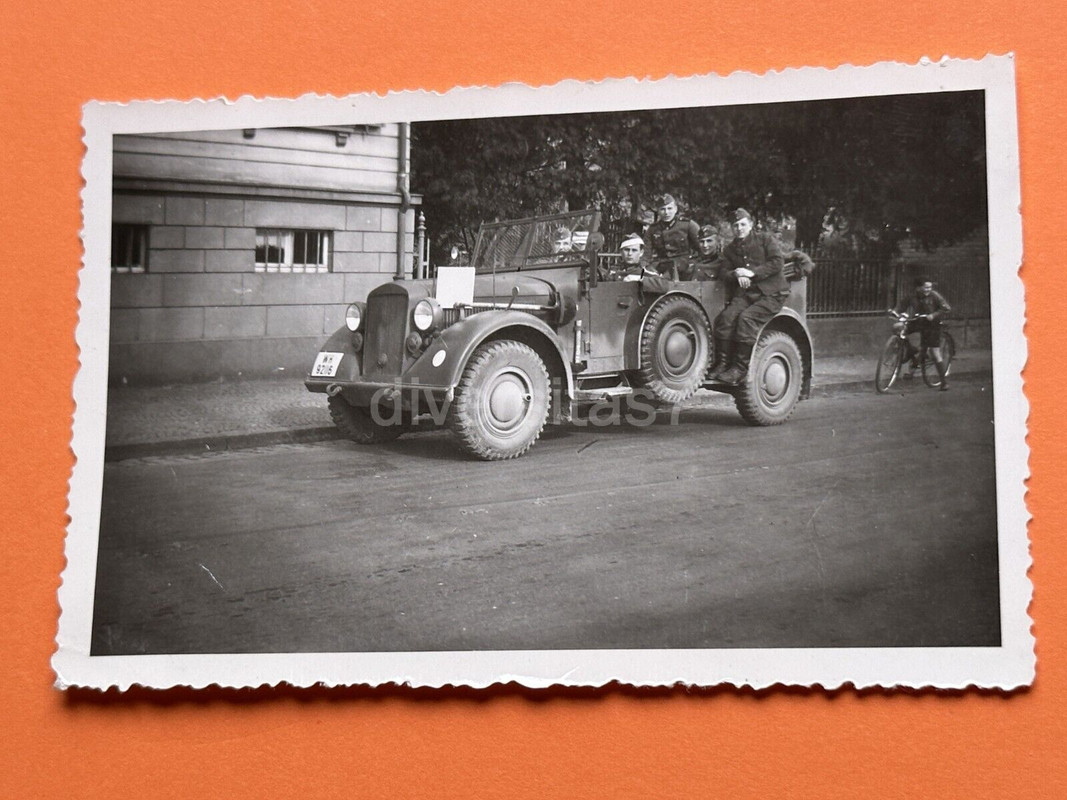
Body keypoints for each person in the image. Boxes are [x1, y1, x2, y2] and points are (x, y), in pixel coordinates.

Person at [708, 208, 789, 385]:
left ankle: (740, 369)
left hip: (772, 293)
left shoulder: (765, 239)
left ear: (751, 225)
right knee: (726, 318)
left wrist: (752, 273)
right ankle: (723, 364)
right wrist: (737, 273)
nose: (739, 228)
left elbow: (777, 262)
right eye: (735, 225)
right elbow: (723, 272)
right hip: (747, 293)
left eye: (743, 224)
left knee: (746, 319)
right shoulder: (730, 249)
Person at [894, 276, 952, 390]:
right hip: (919, 321)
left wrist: (933, 315)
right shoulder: (912, 296)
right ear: (918, 288)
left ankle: (944, 382)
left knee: (935, 352)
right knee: (897, 328)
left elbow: (946, 308)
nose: (928, 290)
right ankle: (911, 351)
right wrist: (896, 313)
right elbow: (901, 306)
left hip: (932, 325)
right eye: (925, 287)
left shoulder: (934, 296)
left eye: (930, 287)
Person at [647, 193, 700, 280]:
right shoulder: (652, 229)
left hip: (685, 267)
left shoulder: (688, 225)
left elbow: (701, 247)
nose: (666, 212)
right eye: (662, 209)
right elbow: (646, 253)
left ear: (675, 209)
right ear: (658, 211)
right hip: (662, 266)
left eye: (669, 208)